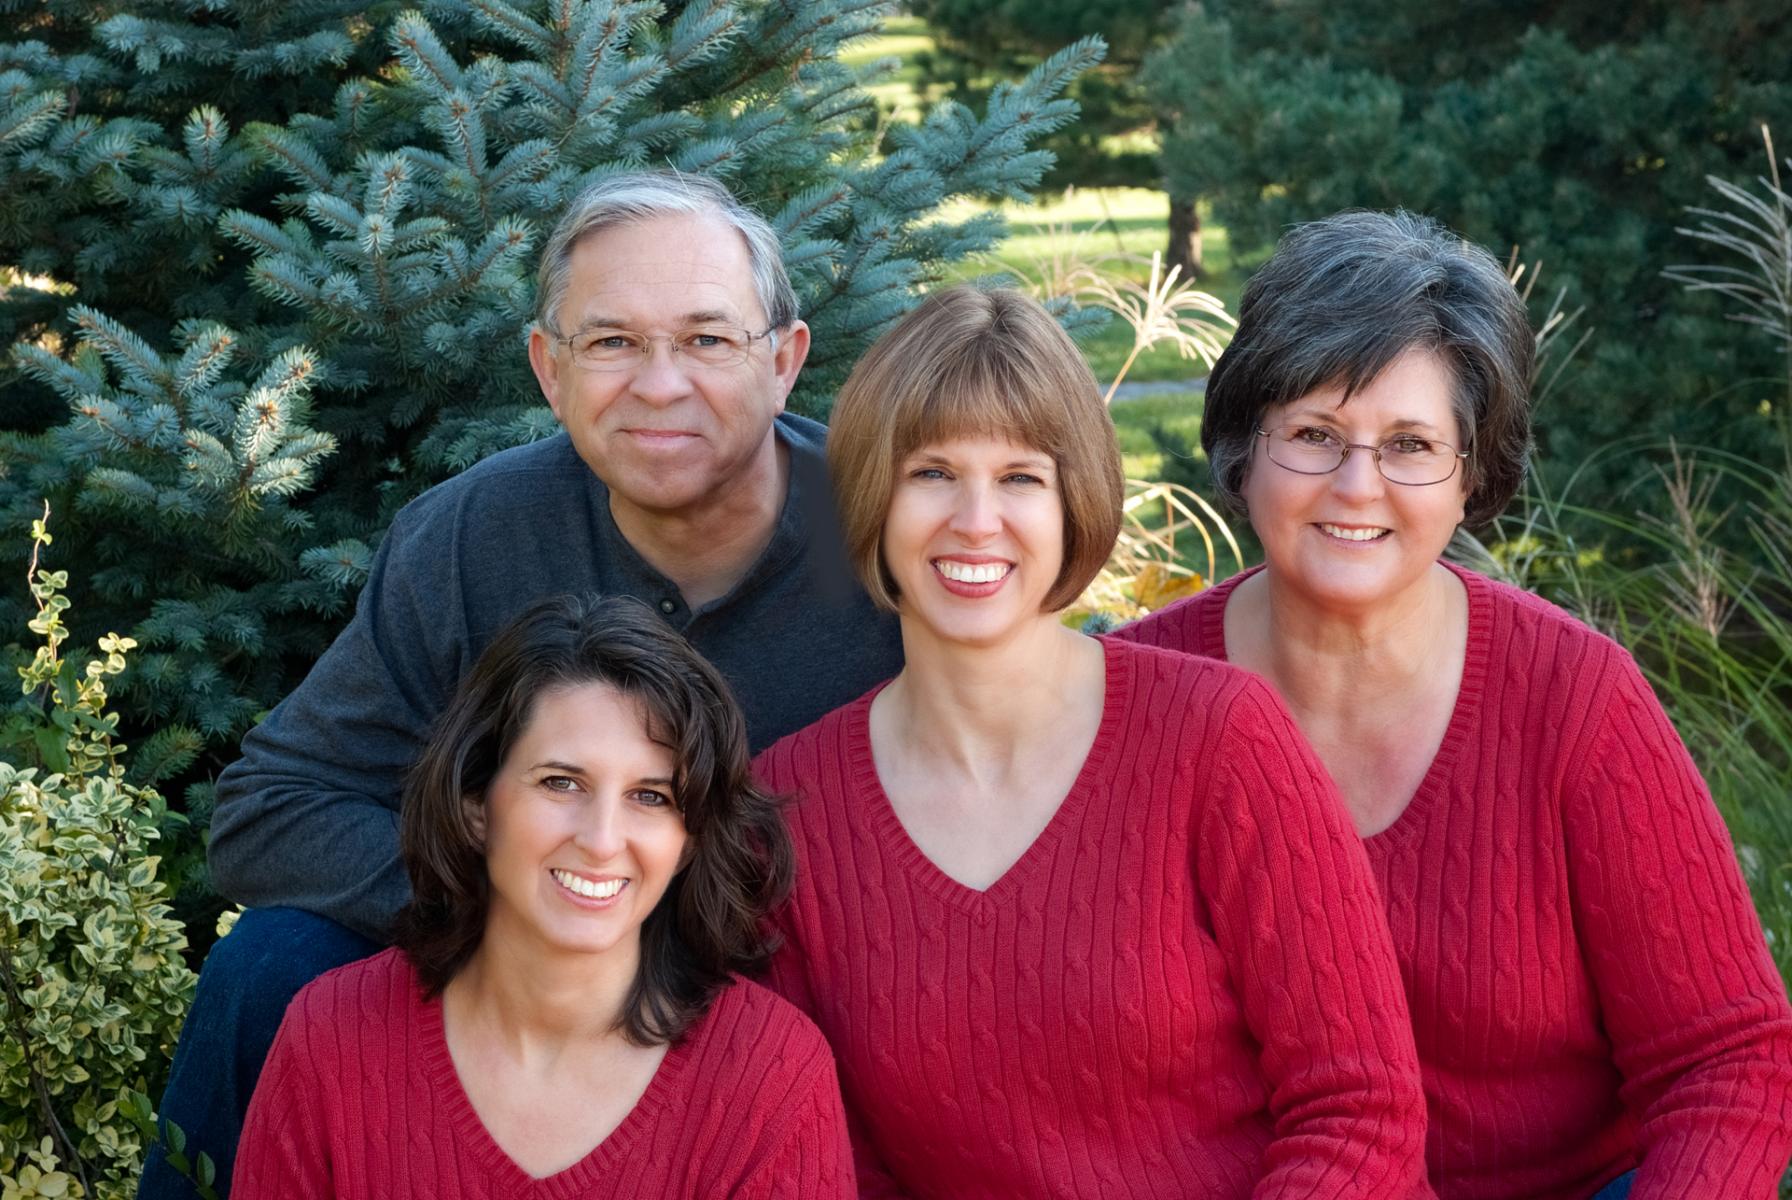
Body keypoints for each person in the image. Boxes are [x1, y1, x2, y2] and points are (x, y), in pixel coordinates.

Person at [141, 171, 903, 1197]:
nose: (660, 384)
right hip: (523, 985)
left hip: (811, 990)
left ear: (785, 360)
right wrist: (532, 913)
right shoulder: (471, 537)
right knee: (268, 965)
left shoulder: (892, 540)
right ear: (550, 368)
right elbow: (271, 810)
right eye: (612, 342)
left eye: (707, 340)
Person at [1115, 209, 1792, 1199]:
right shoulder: (1130, 704)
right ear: (1243, 444)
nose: (1357, 486)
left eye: (1409, 444)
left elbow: (1728, 1056)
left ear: (1472, 472)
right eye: (1312, 433)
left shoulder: (1572, 700)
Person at [755, 284, 1434, 1198]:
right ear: (874, 496)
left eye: (1021, 478)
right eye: (932, 472)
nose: (976, 520)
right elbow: (836, 1163)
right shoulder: (795, 808)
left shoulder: (1217, 739)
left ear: (1074, 500)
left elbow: (1358, 1111)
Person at [231, 594, 854, 1198]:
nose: (602, 840)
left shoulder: (770, 1079)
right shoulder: (330, 1040)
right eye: (561, 783)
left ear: (688, 840)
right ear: (476, 804)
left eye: (651, 797)